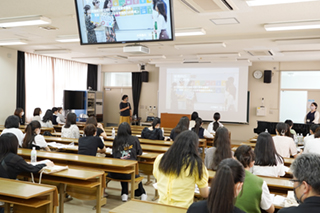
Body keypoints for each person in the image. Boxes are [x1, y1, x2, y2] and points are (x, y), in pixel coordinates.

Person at [153, 131, 209, 208]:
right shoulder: (195, 163)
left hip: (161, 207)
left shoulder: (160, 159)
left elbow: (157, 176)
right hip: (183, 209)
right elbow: (204, 194)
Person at [108, 122, 147, 202]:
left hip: (115, 173)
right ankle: (142, 193)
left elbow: (114, 153)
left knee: (123, 166)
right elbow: (139, 152)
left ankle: (124, 193)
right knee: (134, 171)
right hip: (130, 173)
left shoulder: (116, 140)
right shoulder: (134, 139)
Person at [234, 145, 275, 213]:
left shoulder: (226, 177)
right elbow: (270, 210)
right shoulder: (260, 182)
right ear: (252, 163)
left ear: (234, 159)